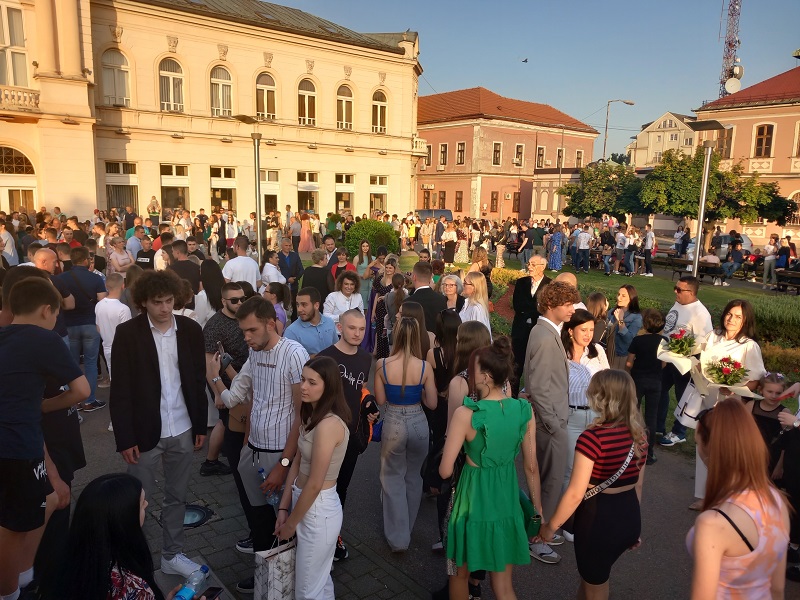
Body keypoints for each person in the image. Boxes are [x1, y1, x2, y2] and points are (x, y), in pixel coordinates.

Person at [109, 270, 208, 579]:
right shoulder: (128, 333)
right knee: (133, 501)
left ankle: (171, 555)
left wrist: (200, 427)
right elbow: (120, 390)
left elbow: (196, 380)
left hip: (182, 428)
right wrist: (125, 437)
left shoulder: (191, 329)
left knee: (177, 497)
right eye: (157, 302)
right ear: (143, 302)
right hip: (143, 433)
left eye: (169, 301)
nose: (165, 308)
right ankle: (130, 562)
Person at [207, 296, 308, 594]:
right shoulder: (254, 355)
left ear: (270, 324)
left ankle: (285, 584)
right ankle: (266, 576)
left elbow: (302, 417)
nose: (246, 337)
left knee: (283, 524)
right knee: (259, 522)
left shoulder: (293, 354)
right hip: (252, 452)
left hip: (280, 457)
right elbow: (235, 399)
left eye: (251, 330)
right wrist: (215, 375)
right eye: (243, 331)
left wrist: (284, 465)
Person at [0, 277, 90, 600]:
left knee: (40, 505)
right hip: (20, 448)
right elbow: (82, 390)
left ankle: (23, 577)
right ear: (47, 311)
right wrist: (45, 405)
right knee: (15, 526)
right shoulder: (44, 339)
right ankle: (10, 590)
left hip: (16, 445)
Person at [440, 337, 541, 600]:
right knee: (504, 585)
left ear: (484, 376)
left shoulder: (467, 414)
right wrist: (537, 510)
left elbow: (444, 470)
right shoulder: (523, 410)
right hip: (506, 502)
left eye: (473, 371)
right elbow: (531, 467)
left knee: (459, 575)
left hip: (471, 502)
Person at [538, 370, 648, 600]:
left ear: (600, 397)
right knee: (592, 579)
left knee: (596, 586)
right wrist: (633, 527)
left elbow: (576, 493)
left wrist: (551, 527)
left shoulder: (592, 439)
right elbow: (638, 486)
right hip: (628, 516)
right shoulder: (640, 435)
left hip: (599, 522)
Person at [687, 398, 790, 599]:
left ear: (711, 449)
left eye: (697, 443)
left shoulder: (714, 523)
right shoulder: (778, 500)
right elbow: (777, 587)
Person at [50, 473, 201, 600]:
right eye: (142, 503)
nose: (147, 504)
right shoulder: (131, 585)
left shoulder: (70, 563)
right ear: (124, 519)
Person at [273, 356, 350, 599]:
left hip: (318, 509)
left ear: (328, 386)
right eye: (303, 380)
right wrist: (284, 507)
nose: (303, 386)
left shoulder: (329, 425)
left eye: (312, 382)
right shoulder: (311, 414)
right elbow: (296, 460)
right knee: (318, 582)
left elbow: (316, 482)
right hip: (305, 501)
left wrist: (290, 525)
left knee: (307, 590)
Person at [691, 300, 766, 508]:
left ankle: (725, 495)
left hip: (731, 404)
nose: (731, 319)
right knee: (704, 443)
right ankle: (704, 495)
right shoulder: (713, 336)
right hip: (707, 397)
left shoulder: (749, 346)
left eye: (738, 317)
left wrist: (732, 387)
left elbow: (756, 379)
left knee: (725, 450)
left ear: (745, 321)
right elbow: (699, 358)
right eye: (729, 314)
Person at [524, 280, 579, 564]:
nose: (572, 309)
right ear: (550, 305)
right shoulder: (546, 336)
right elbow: (540, 387)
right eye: (567, 304)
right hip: (550, 423)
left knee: (546, 481)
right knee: (549, 483)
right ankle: (537, 538)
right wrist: (555, 424)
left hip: (549, 420)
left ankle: (541, 530)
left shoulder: (544, 331)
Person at [375, 317, 438, 552]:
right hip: (418, 423)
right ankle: (407, 529)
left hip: (393, 421)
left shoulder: (382, 364)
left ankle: (398, 538)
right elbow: (432, 403)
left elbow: (380, 400)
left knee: (391, 477)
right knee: (413, 477)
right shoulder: (424, 367)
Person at [317, 310, 374, 562]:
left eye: (361, 329)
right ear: (340, 327)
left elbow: (357, 388)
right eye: (352, 328)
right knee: (320, 487)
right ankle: (316, 534)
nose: (357, 334)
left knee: (342, 488)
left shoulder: (364, 358)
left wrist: (368, 402)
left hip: (350, 437)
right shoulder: (326, 357)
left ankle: (334, 535)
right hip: (326, 435)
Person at [659, 276, 714, 447]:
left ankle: (679, 432)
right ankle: (658, 426)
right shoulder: (679, 303)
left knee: (684, 396)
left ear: (691, 292)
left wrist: (685, 351)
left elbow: (705, 342)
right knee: (660, 388)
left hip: (685, 362)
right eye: (675, 288)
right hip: (669, 357)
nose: (675, 292)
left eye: (679, 290)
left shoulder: (700, 314)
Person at [561, 309, 610, 495]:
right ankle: (565, 520)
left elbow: (608, 380)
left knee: (594, 471)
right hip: (571, 417)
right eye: (583, 330)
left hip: (596, 418)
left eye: (591, 330)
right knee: (570, 470)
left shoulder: (598, 351)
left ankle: (586, 515)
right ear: (571, 330)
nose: (589, 335)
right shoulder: (560, 353)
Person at [59, 246, 108, 411]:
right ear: (86, 259)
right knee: (90, 363)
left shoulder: (62, 278)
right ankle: (89, 400)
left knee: (70, 364)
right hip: (90, 323)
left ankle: (72, 401)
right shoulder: (95, 279)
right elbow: (102, 302)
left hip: (69, 324)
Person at [626, 308, 666, 465]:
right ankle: (649, 453)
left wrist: (633, 368)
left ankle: (630, 448)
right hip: (655, 381)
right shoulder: (664, 342)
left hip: (638, 380)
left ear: (644, 323)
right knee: (652, 416)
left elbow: (629, 362)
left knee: (633, 413)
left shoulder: (638, 340)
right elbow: (664, 363)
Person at [511, 255, 550, 396]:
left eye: (533, 264)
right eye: (529, 264)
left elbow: (545, 309)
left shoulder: (549, 285)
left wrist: (529, 311)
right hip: (520, 331)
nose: (529, 267)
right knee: (515, 366)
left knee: (536, 367)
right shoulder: (521, 283)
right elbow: (517, 305)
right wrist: (535, 308)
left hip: (539, 332)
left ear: (542, 266)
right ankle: (512, 396)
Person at [94, 273, 132, 382]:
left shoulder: (99, 305)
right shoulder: (123, 309)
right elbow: (127, 334)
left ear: (106, 286)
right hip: (122, 349)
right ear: (123, 286)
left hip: (107, 346)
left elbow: (98, 328)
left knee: (114, 379)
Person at [284, 287, 339, 356]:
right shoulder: (291, 332)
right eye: (298, 305)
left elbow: (336, 348)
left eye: (304, 304)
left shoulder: (329, 322)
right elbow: (290, 360)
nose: (299, 309)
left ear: (316, 305)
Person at [406, 261, 447, 335]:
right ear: (431, 276)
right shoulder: (442, 299)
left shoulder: (408, 302)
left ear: (414, 277)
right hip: (436, 343)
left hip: (415, 344)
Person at [608, 285, 643, 370]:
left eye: (623, 296)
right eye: (618, 294)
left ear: (631, 298)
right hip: (607, 353)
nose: (619, 298)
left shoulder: (636, 317)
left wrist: (620, 320)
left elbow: (629, 339)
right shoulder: (612, 312)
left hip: (620, 356)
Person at [371, 257, 398, 359]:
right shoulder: (380, 279)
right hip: (380, 309)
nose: (388, 270)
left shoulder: (396, 280)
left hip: (390, 310)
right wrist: (373, 312)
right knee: (380, 331)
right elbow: (376, 296)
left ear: (394, 269)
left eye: (390, 268)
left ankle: (389, 355)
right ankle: (380, 356)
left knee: (388, 332)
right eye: (387, 268)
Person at [278, 237, 305, 318]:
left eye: (290, 245)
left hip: (294, 285)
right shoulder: (278, 256)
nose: (288, 247)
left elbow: (301, 269)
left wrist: (295, 279)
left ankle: (294, 319)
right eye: (286, 245)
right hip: (282, 285)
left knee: (294, 303)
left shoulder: (295, 255)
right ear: (282, 246)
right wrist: (286, 279)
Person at [459, 271, 491, 337]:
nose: (463, 284)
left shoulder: (476, 309)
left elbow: (480, 337)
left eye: (465, 283)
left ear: (475, 287)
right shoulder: (467, 303)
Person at [353, 240, 374, 317]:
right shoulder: (357, 258)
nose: (365, 248)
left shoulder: (372, 258)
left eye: (367, 246)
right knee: (361, 306)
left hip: (369, 283)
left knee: (368, 307)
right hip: (361, 284)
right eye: (363, 246)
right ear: (361, 247)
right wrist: (361, 276)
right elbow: (353, 272)